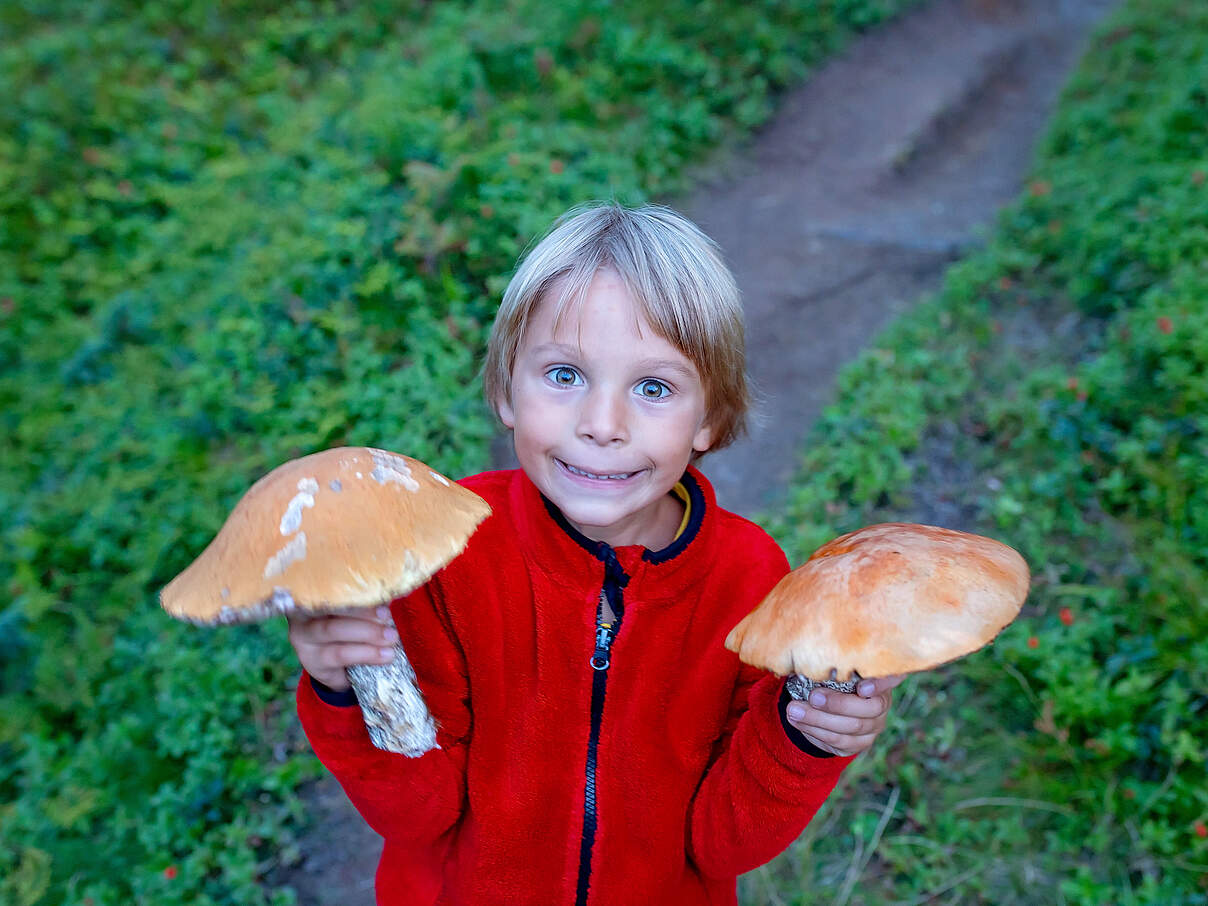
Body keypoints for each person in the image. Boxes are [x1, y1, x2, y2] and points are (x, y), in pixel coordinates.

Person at [289, 202, 901, 905]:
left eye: (653, 387)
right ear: (506, 388)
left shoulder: (750, 580)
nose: (602, 425)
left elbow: (725, 846)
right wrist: (347, 689)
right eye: (564, 375)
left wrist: (807, 740)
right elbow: (416, 813)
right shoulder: (442, 553)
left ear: (709, 418)